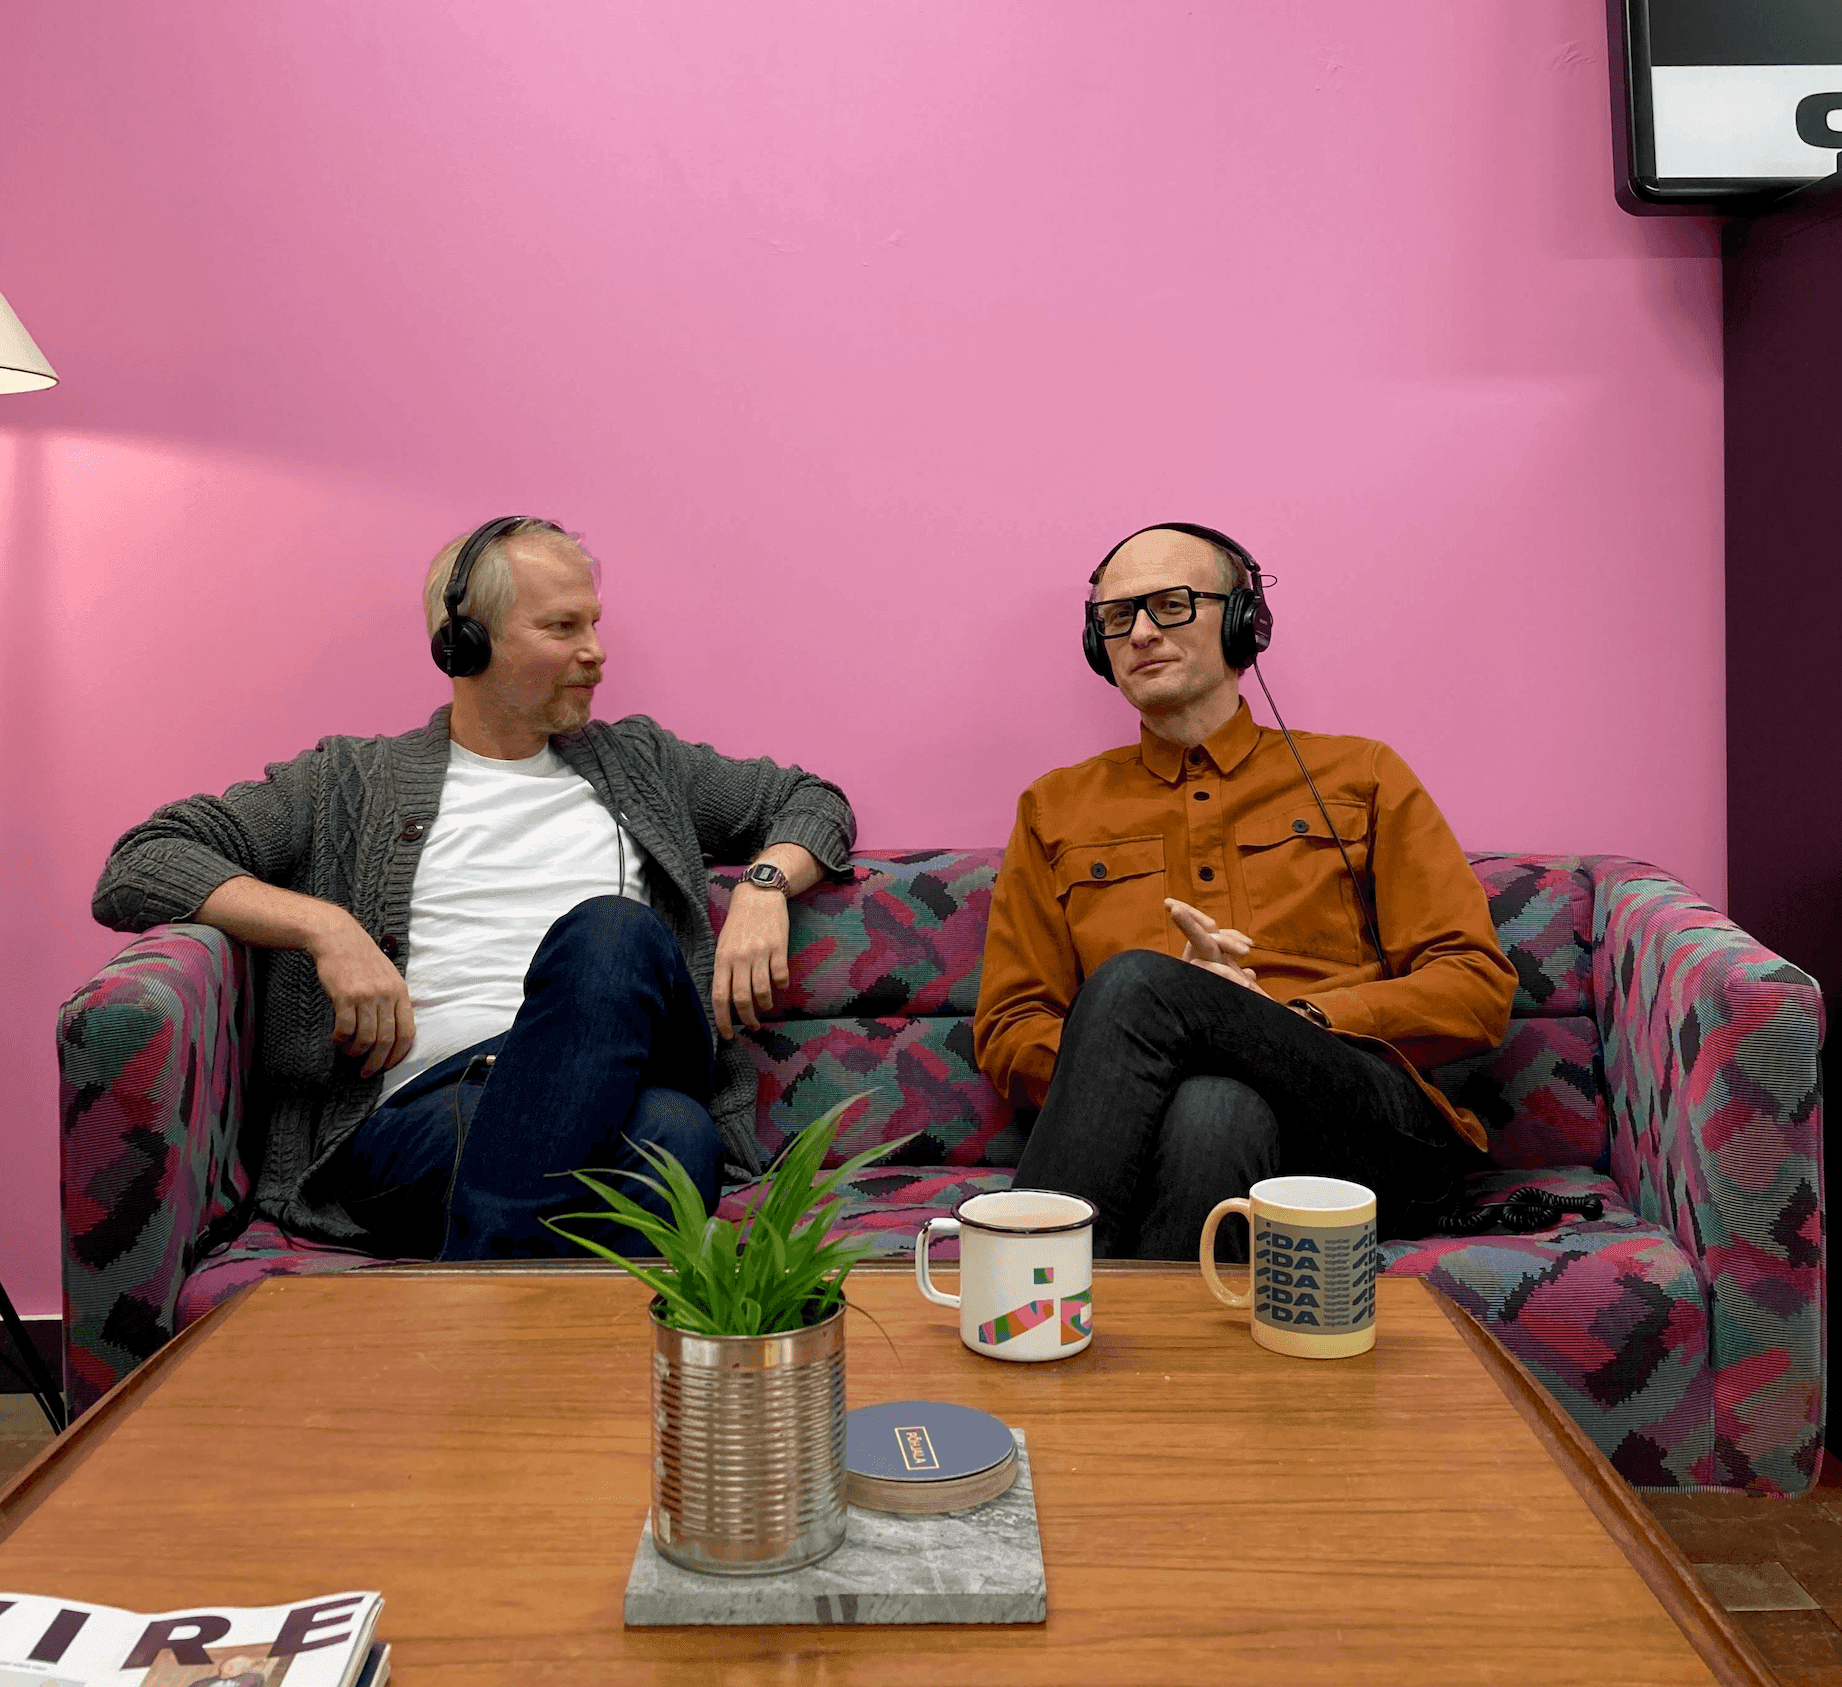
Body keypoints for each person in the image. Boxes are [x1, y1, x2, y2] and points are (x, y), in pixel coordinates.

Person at [93, 515, 856, 1261]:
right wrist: (326, 928)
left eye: (593, 624)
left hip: (622, 1076)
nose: (595, 652)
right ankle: (518, 1264)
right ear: (466, 642)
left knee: (613, 932)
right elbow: (142, 863)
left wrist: (763, 885)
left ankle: (480, 1275)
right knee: (677, 1141)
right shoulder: (349, 781)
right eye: (562, 628)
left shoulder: (643, 764)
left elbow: (812, 801)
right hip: (427, 1111)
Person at [973, 522, 1516, 1259]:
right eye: (1117, 617)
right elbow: (1012, 1028)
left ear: (1242, 622)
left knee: (1138, 984)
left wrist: (1281, 1020)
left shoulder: (1362, 774)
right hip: (1166, 1137)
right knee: (1213, 1107)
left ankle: (1023, 1287)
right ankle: (1159, 1339)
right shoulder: (1055, 808)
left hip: (1368, 1133)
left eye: (1170, 605)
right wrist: (1159, 1059)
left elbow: (1475, 985)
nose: (1140, 634)